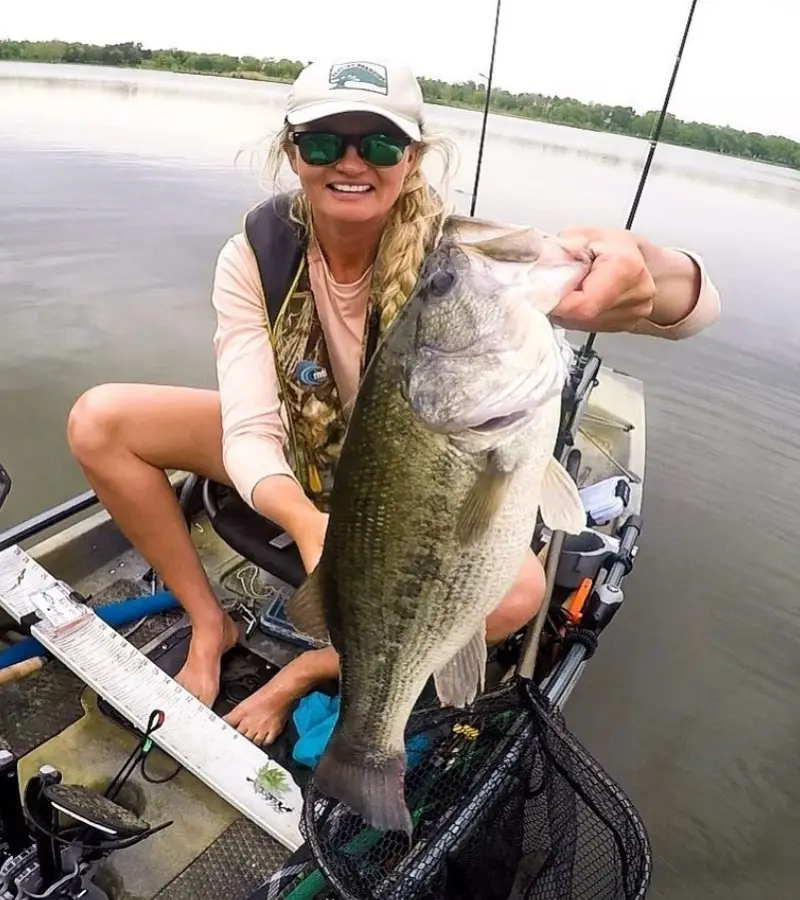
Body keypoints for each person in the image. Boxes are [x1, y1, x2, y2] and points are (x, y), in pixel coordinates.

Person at [66, 57, 721, 746]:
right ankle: (209, 621)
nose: (352, 162)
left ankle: (313, 670)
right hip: (304, 455)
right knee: (100, 421)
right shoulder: (254, 257)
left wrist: (644, 264)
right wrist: (309, 524)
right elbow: (252, 431)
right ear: (293, 153)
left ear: (411, 159)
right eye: (323, 142)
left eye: (379, 144)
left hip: (422, 470)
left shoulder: (468, 265)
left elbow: (694, 307)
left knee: (521, 594)